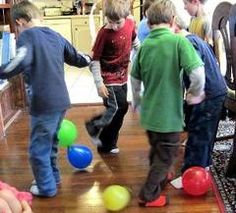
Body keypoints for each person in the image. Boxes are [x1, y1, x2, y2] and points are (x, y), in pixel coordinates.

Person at [0, 1, 91, 197]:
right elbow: (76, 57)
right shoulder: (55, 35)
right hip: (61, 102)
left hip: (44, 103)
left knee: (38, 149)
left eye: (16, 27)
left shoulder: (28, 37)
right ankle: (52, 178)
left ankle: (46, 187)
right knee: (50, 143)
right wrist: (90, 58)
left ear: (20, 22)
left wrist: (1, 71)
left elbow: (19, 61)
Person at [131, 0, 206, 207]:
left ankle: (160, 178)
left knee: (157, 149)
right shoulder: (178, 42)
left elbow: (134, 79)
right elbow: (198, 72)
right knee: (166, 155)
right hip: (168, 117)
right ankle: (148, 196)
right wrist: (194, 93)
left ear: (147, 23)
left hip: (150, 116)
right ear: (173, 20)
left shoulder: (145, 46)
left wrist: (136, 101)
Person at [170, 15, 227, 188]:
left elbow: (196, 69)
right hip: (216, 92)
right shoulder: (193, 38)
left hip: (207, 94)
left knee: (198, 135)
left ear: (173, 26)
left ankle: (191, 173)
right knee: (206, 133)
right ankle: (204, 165)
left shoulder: (187, 43)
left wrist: (193, 93)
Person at [85, 0, 139, 154]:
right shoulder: (104, 33)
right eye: (110, 22)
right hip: (107, 78)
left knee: (119, 110)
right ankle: (97, 129)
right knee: (118, 107)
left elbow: (135, 41)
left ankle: (106, 141)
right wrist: (99, 83)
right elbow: (94, 60)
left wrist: (142, 54)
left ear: (126, 16)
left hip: (122, 76)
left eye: (118, 22)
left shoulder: (129, 24)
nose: (114, 26)